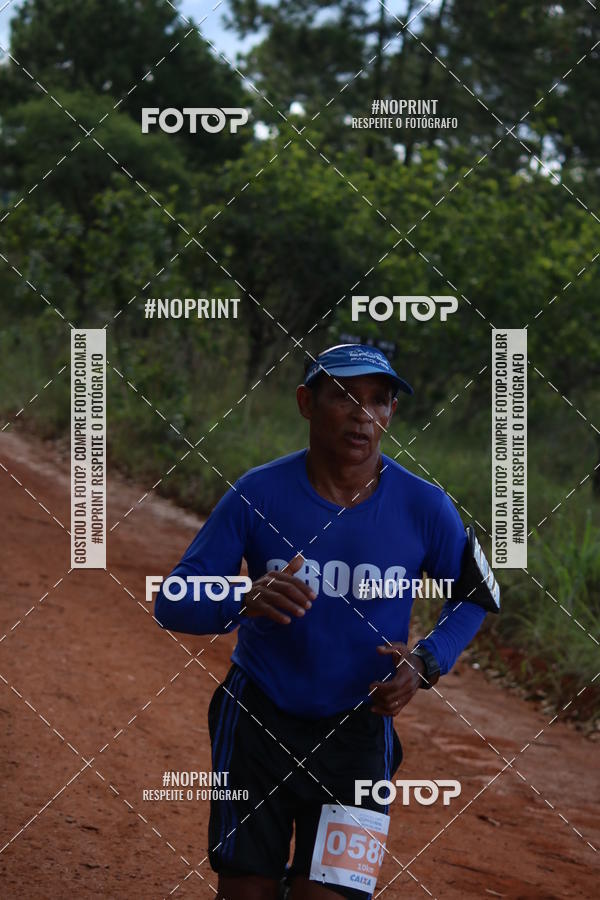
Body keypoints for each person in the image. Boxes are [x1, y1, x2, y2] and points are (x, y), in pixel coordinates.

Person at [155, 343, 491, 900]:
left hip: (358, 735)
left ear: (391, 414)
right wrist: (241, 595)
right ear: (306, 402)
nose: (364, 415)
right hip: (257, 721)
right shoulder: (257, 493)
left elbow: (475, 596)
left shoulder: (425, 506)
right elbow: (173, 599)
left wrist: (426, 661)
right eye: (344, 397)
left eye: (379, 401)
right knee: (246, 892)